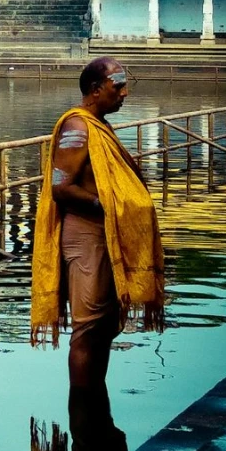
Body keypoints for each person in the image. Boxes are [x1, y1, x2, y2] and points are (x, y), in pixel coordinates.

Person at [31, 56, 164, 389]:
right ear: (95, 90)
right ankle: (83, 407)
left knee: (107, 324)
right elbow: (61, 188)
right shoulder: (77, 127)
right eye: (117, 86)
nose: (124, 93)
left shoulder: (99, 125)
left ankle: (95, 397)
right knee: (88, 329)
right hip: (85, 236)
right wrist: (106, 203)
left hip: (105, 234)